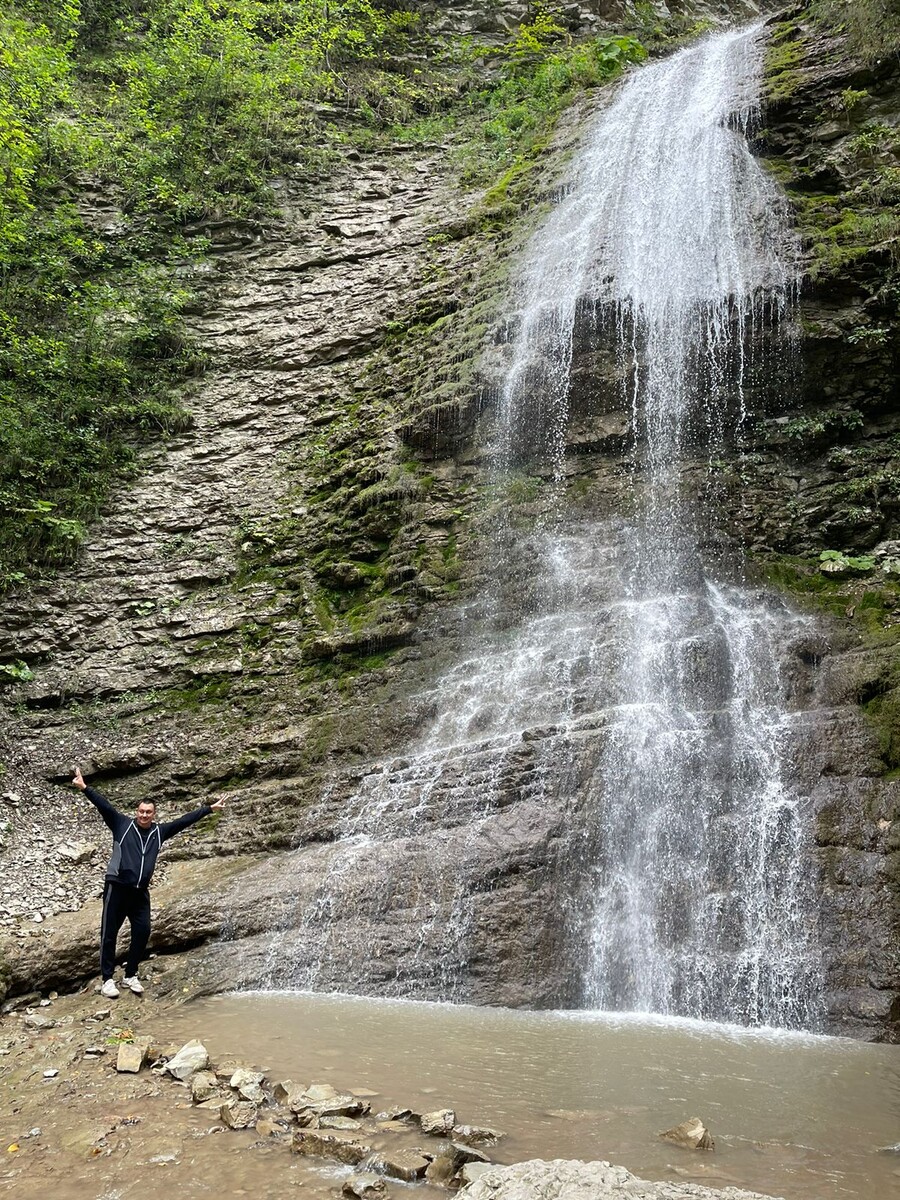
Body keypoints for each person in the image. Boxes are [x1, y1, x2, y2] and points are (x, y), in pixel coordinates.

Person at [72, 766, 225, 998]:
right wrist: (85, 788)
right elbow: (104, 806)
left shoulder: (159, 832)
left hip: (140, 893)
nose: (144, 815)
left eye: (148, 812)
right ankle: (107, 980)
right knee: (109, 933)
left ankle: (130, 975)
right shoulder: (122, 825)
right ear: (137, 812)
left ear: (154, 814)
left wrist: (209, 809)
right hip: (117, 887)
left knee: (143, 932)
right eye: (141, 811)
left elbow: (183, 822)